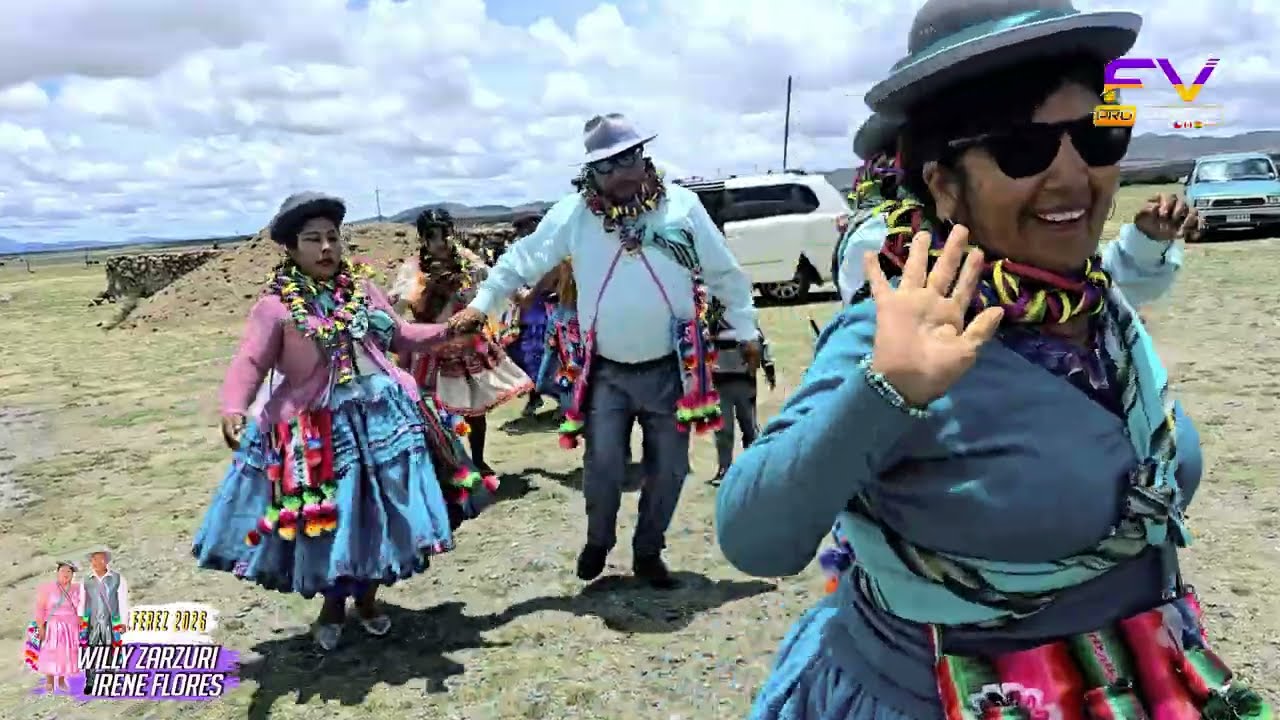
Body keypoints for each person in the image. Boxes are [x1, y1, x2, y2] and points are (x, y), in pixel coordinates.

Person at [714, 1, 1266, 718]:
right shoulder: (897, 333)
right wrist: (886, 392)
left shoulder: (1094, 306)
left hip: (1141, 683)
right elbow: (753, 537)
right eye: (1021, 149)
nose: (1074, 177)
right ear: (944, 183)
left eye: (1098, 136)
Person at [449, 113, 760, 589]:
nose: (623, 172)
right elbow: (523, 259)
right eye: (608, 165)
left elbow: (725, 273)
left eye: (630, 158)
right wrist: (481, 304)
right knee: (604, 466)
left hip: (672, 369)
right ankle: (599, 539)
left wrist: (747, 329)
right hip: (606, 372)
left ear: (645, 156)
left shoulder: (682, 207)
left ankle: (648, 551)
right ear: (591, 173)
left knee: (670, 468)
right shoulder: (574, 215)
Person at [193, 192, 469, 652]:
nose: (326, 248)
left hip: (383, 419)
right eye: (313, 239)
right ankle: (333, 604)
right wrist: (233, 407)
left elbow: (401, 336)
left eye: (332, 238)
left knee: (382, 514)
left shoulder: (363, 290)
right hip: (316, 429)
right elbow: (250, 361)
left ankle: (368, 598)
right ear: (291, 248)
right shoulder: (275, 307)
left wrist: (449, 330)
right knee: (330, 519)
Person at [390, 208, 533, 479]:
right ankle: (445, 466)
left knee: (475, 412)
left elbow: (494, 280)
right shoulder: (414, 269)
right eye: (432, 236)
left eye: (444, 233)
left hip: (467, 345)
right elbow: (400, 302)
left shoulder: (466, 261)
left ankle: (478, 460)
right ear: (422, 238)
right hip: (431, 351)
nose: (439, 241)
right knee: (434, 412)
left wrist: (519, 293)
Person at [706, 295, 776, 485]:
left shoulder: (746, 320)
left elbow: (761, 342)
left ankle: (754, 467)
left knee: (749, 426)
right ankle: (725, 468)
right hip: (720, 382)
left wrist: (768, 368)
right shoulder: (710, 322)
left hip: (744, 381)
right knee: (723, 429)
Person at [506, 213, 557, 417]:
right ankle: (534, 395)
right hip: (526, 309)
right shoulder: (517, 253)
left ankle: (564, 399)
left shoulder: (554, 249)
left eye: (529, 228)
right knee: (522, 353)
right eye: (522, 230)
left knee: (552, 354)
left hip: (550, 306)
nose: (525, 233)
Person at [28, 561, 82, 694]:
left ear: (72, 574)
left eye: (69, 571)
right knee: (51, 652)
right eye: (63, 571)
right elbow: (40, 608)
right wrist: (41, 626)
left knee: (66, 654)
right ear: (57, 573)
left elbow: (82, 607)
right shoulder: (47, 589)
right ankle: (50, 681)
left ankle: (62, 680)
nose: (66, 574)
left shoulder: (77, 589)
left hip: (71, 626)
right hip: (53, 625)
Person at [78, 548, 128, 690]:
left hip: (110, 620)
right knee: (90, 649)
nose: (96, 562)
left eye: (99, 559)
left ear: (106, 561)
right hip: (92, 621)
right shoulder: (86, 580)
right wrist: (81, 618)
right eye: (93, 559)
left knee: (110, 648)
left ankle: (109, 680)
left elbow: (123, 600)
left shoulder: (117, 578)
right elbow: (82, 601)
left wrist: (124, 622)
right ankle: (90, 681)